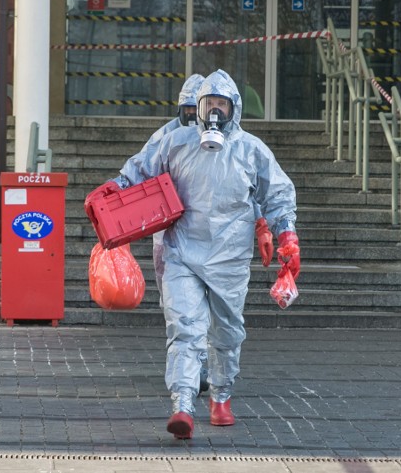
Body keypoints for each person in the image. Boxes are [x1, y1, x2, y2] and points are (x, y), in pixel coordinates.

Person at [84, 69, 299, 441]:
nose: (215, 112)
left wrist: (285, 234)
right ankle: (183, 402)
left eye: (222, 104)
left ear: (235, 109)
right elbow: (139, 169)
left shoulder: (251, 150)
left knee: (228, 331)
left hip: (230, 257)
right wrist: (114, 187)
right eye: (208, 104)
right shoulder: (175, 142)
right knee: (185, 328)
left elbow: (277, 194)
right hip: (181, 250)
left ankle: (221, 396)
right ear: (196, 108)